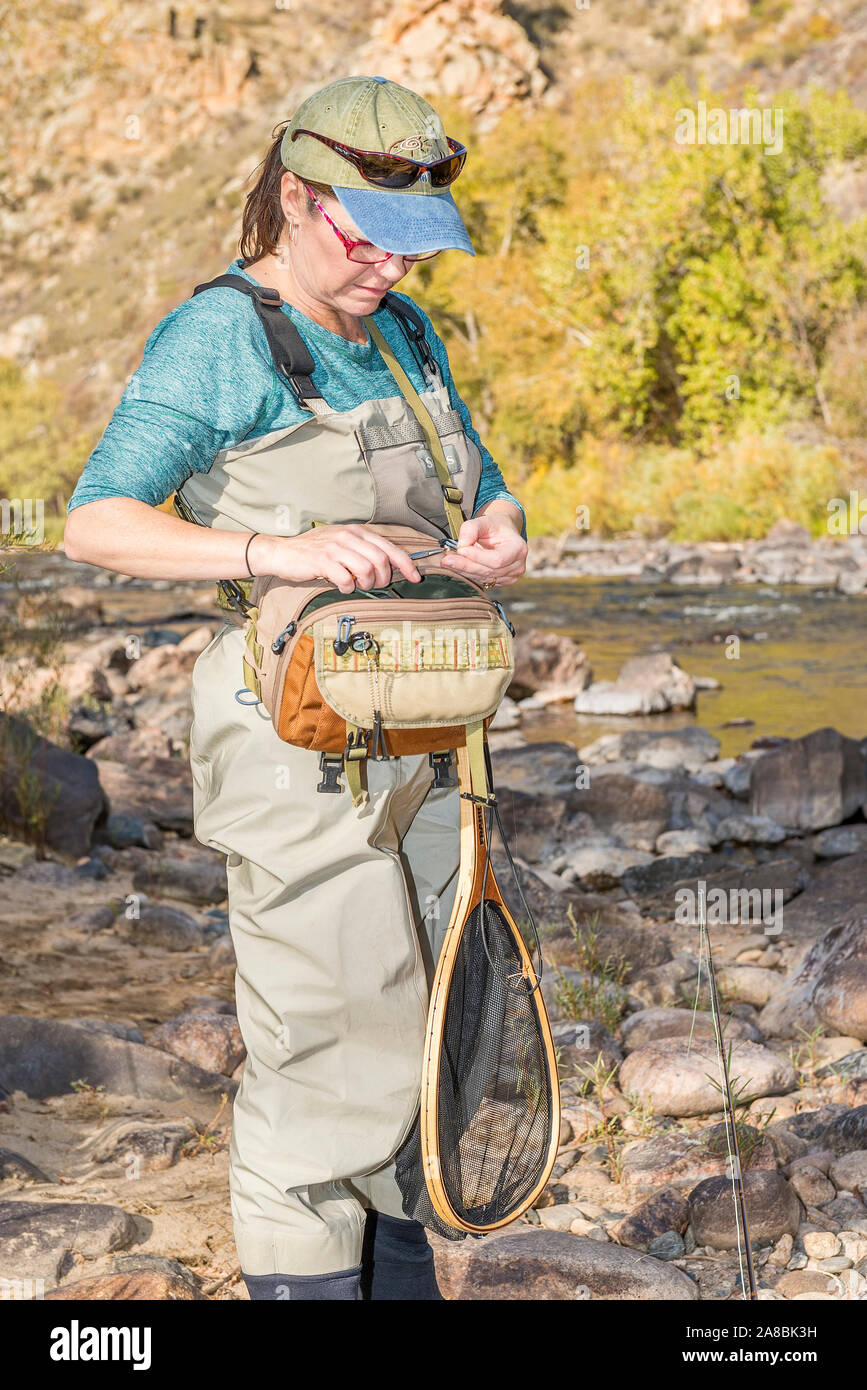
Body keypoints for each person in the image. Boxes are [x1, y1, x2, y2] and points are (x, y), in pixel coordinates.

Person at [64, 74, 528, 1301]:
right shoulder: (224, 335)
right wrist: (276, 551)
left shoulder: (407, 333)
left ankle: (393, 1279)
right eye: (370, 237)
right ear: (294, 195)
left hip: (434, 737)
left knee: (433, 1029)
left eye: (415, 245)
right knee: (332, 1043)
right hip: (292, 744)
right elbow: (96, 523)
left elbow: (480, 479)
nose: (394, 267)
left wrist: (501, 523)